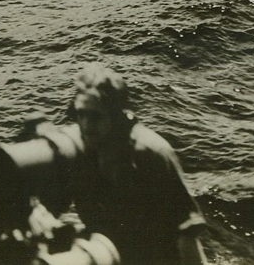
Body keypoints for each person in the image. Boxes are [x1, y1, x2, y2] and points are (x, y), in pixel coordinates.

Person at [65, 64, 208, 265]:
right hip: (106, 252)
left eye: (96, 116)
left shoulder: (151, 153)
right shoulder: (78, 149)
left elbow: (186, 232)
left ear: (116, 115)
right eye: (81, 114)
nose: (86, 125)